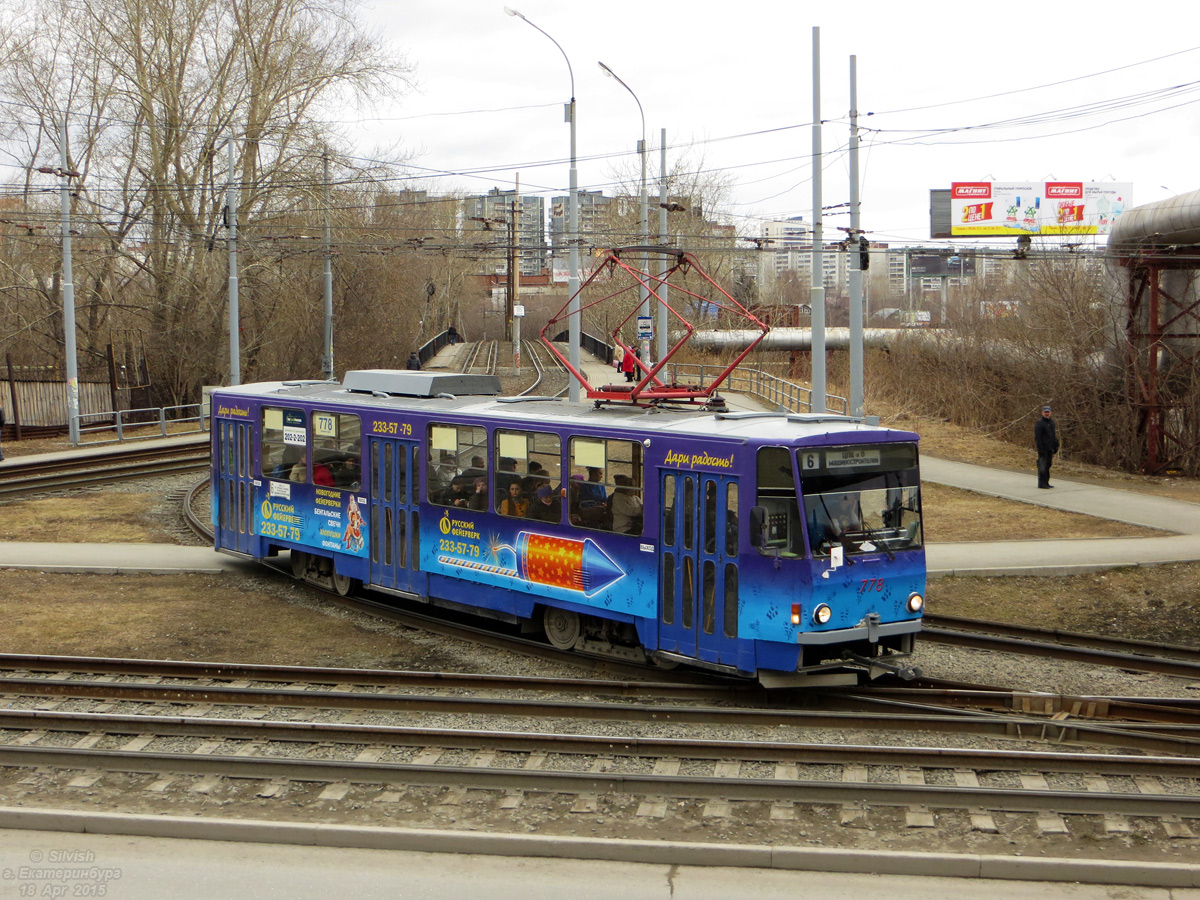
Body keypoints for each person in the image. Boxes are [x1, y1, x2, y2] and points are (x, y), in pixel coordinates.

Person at [1035, 404, 1059, 489]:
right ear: (1042, 413)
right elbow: (1038, 437)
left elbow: (1053, 435)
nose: (1047, 413)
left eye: (1048, 412)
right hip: (1043, 448)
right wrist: (1040, 448)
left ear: (1050, 412)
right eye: (1045, 412)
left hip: (1050, 448)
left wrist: (1055, 445)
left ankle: (1046, 482)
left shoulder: (1051, 422)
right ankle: (1041, 484)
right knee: (1042, 466)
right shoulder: (1040, 423)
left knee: (1048, 465)